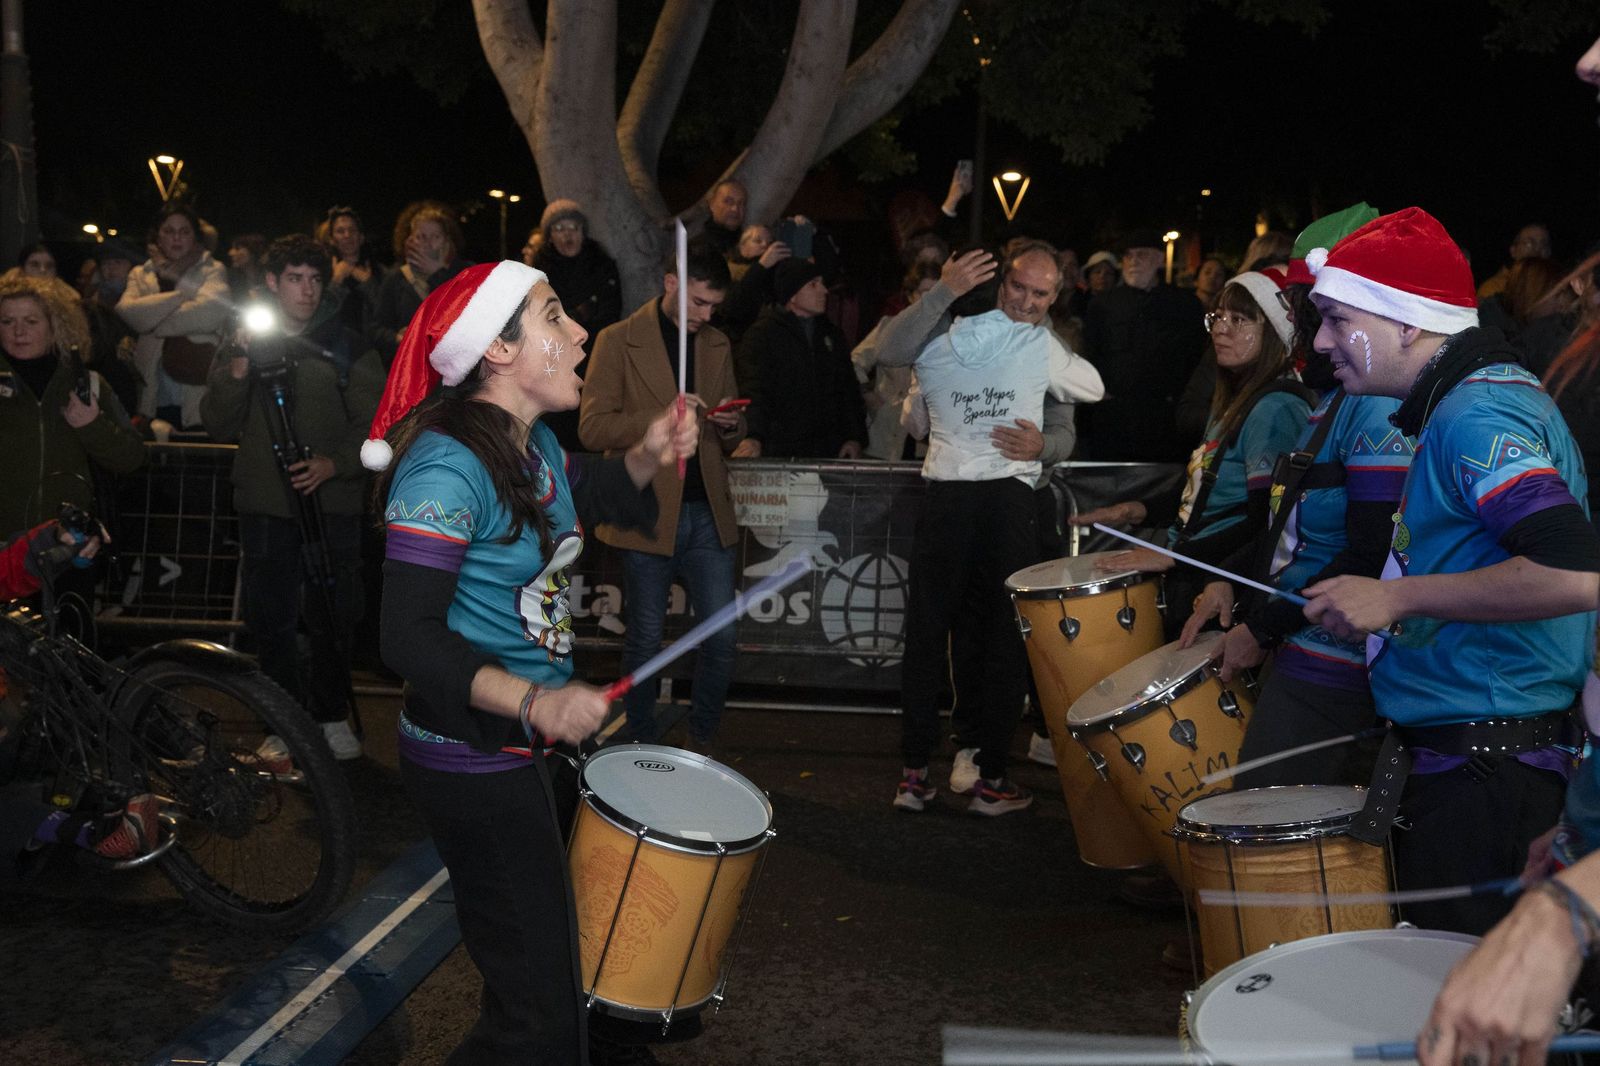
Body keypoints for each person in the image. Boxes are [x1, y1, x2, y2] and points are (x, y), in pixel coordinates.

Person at [364, 259, 698, 1065]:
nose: (579, 332)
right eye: (555, 317)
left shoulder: (534, 441)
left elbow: (602, 492)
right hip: (473, 759)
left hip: (536, 751)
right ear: (500, 351)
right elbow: (405, 636)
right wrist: (535, 701)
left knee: (571, 980)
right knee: (537, 1019)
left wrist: (652, 451)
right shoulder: (447, 469)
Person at [1300, 207, 1598, 936]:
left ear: (1407, 324)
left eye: (1339, 319)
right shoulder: (1464, 405)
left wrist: (1395, 597)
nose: (1320, 341)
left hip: (1489, 777)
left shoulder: (1476, 416)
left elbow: (1573, 573)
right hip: (1474, 761)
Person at [1178, 202, 1412, 788]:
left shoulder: (1375, 403)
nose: (1306, 335)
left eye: (1316, 315)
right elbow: (1290, 529)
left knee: (1266, 838)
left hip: (1334, 660)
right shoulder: (1336, 401)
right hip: (1304, 644)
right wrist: (1233, 580)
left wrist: (1262, 629)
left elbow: (1371, 550)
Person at [890, 243, 1102, 816]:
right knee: (993, 635)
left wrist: (1043, 444)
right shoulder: (1036, 344)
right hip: (1002, 500)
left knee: (937, 631)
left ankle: (916, 773)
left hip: (964, 496)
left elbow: (910, 408)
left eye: (1040, 295)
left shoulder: (942, 340)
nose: (1028, 303)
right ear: (1001, 284)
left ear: (1054, 296)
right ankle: (987, 774)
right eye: (1019, 290)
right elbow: (1095, 388)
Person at [200, 235, 385, 760]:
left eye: (314, 279)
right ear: (272, 285)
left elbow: (378, 423)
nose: (306, 290)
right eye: (294, 279)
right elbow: (216, 422)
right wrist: (237, 370)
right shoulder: (244, 341)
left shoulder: (348, 343)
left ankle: (329, 715)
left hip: (333, 503)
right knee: (271, 618)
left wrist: (335, 464)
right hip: (266, 502)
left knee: (334, 613)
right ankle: (282, 721)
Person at [579, 240, 746, 752]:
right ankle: (642, 741)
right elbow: (591, 428)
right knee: (645, 639)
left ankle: (701, 739)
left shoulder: (717, 343)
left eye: (714, 306)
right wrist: (658, 418)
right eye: (699, 302)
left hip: (708, 511)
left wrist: (732, 424)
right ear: (670, 282)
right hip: (648, 511)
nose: (706, 314)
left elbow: (729, 434)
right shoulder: (617, 339)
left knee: (721, 638)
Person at [1082, 271, 1312, 636]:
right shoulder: (1237, 400)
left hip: (1219, 579)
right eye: (1218, 317)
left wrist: (1176, 557)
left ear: (1272, 330)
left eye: (1238, 319)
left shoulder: (1275, 408)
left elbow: (1265, 520)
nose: (1221, 329)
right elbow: (1211, 487)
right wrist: (1139, 510)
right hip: (1197, 568)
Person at [0, 274, 145, 539]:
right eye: (7, 321)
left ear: (55, 326)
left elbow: (132, 457)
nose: (18, 331)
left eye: (31, 321)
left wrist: (91, 426)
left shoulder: (87, 383)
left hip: (68, 543)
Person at [1078, 232, 1211, 461]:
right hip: (1115, 418)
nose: (1134, 261)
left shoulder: (1184, 304)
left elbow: (1195, 356)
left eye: (1142, 255)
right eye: (1128, 256)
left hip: (1164, 420)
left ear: (1159, 260)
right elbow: (1091, 352)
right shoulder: (1103, 304)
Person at [733, 259, 866, 460]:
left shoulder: (830, 334)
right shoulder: (763, 335)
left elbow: (847, 389)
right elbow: (753, 390)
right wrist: (753, 436)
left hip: (828, 453)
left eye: (822, 283)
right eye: (813, 284)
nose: (824, 290)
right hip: (779, 452)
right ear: (792, 294)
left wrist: (853, 437)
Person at [117, 203, 232, 430]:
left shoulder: (212, 269)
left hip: (196, 381)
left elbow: (211, 312)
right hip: (153, 387)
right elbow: (128, 311)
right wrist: (183, 296)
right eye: (169, 231)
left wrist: (154, 323)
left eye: (184, 231)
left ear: (195, 237)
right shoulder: (141, 273)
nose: (176, 238)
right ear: (158, 237)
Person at [371, 200, 472, 366]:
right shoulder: (397, 277)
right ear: (409, 239)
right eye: (421, 236)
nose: (427, 242)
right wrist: (397, 338)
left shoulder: (466, 273)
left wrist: (436, 274)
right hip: (411, 373)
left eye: (435, 236)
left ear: (448, 240)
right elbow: (375, 329)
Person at [321, 206, 385, 340]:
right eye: (340, 231)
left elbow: (387, 313)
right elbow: (321, 315)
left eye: (352, 230)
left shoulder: (380, 272)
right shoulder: (323, 273)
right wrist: (336, 281)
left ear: (361, 237)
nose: (347, 235)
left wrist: (368, 283)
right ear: (332, 239)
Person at [1477, 222, 1553, 300]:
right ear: (1513, 250)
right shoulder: (1494, 289)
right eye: (1529, 243)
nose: (1537, 250)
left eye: (1544, 244)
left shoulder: (1554, 287)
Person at [700, 178, 748, 258]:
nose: (735, 208)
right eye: (728, 201)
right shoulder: (696, 249)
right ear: (712, 204)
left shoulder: (752, 246)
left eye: (741, 203)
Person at [227, 233, 269, 303]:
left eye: (237, 249)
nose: (231, 253)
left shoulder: (270, 277)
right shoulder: (230, 278)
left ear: (253, 252)